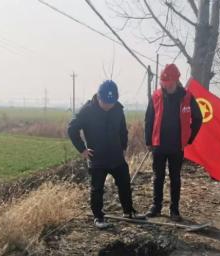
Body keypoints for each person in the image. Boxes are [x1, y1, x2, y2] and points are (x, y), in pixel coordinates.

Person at [68, 80, 145, 229]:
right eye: (105, 102)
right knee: (97, 188)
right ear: (98, 97)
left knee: (124, 183)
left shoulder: (118, 109)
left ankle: (128, 211)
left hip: (116, 155)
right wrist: (82, 149)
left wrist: (123, 146)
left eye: (112, 102)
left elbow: (123, 129)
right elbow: (72, 129)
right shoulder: (87, 110)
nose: (109, 106)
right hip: (97, 157)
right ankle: (98, 217)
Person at [144, 64, 203, 222]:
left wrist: (189, 138)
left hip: (177, 145)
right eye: (164, 83)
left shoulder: (187, 97)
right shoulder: (156, 96)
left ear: (177, 81)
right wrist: (148, 140)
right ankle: (156, 206)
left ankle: (174, 210)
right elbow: (149, 119)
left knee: (175, 178)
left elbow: (198, 118)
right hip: (158, 144)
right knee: (158, 177)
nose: (166, 86)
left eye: (169, 83)